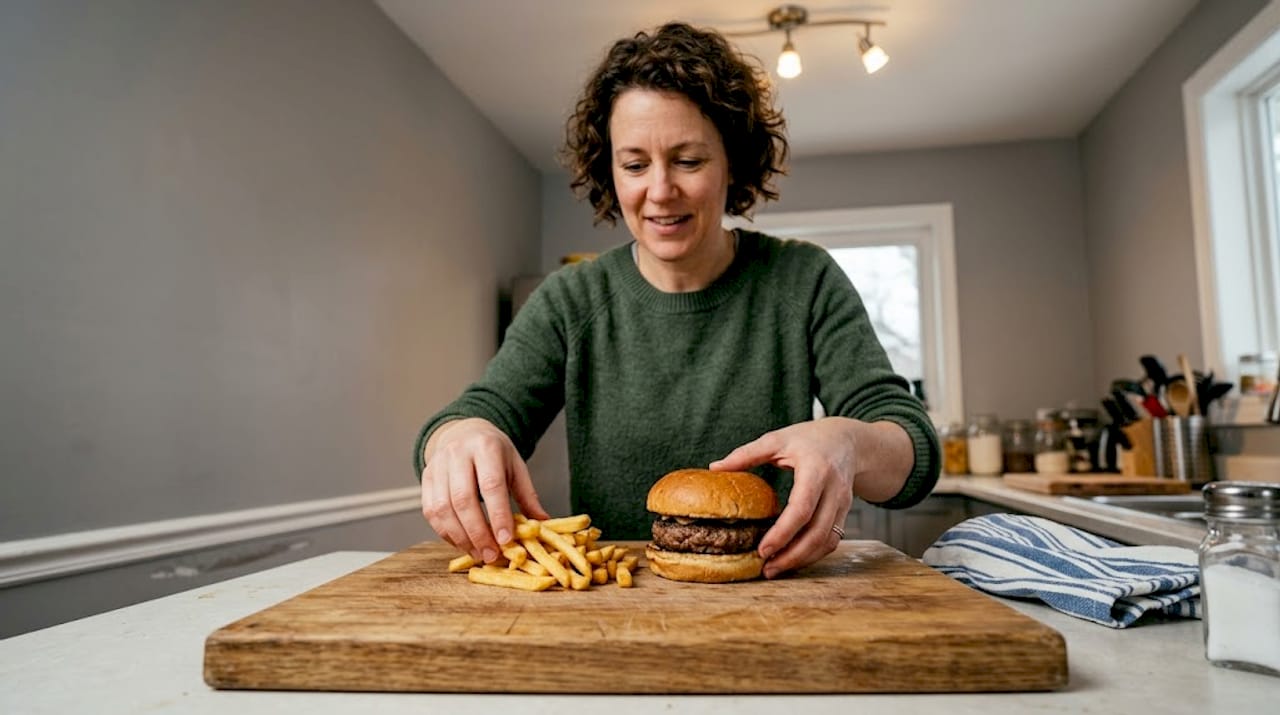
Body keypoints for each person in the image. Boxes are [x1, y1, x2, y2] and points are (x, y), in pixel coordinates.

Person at [414, 22, 939, 579]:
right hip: (616, 605)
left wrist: (852, 443)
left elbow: (910, 450)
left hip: (774, 598)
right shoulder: (571, 298)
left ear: (732, 162)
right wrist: (458, 436)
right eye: (635, 164)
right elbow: (478, 414)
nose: (661, 191)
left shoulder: (803, 280)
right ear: (609, 170)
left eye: (688, 160)